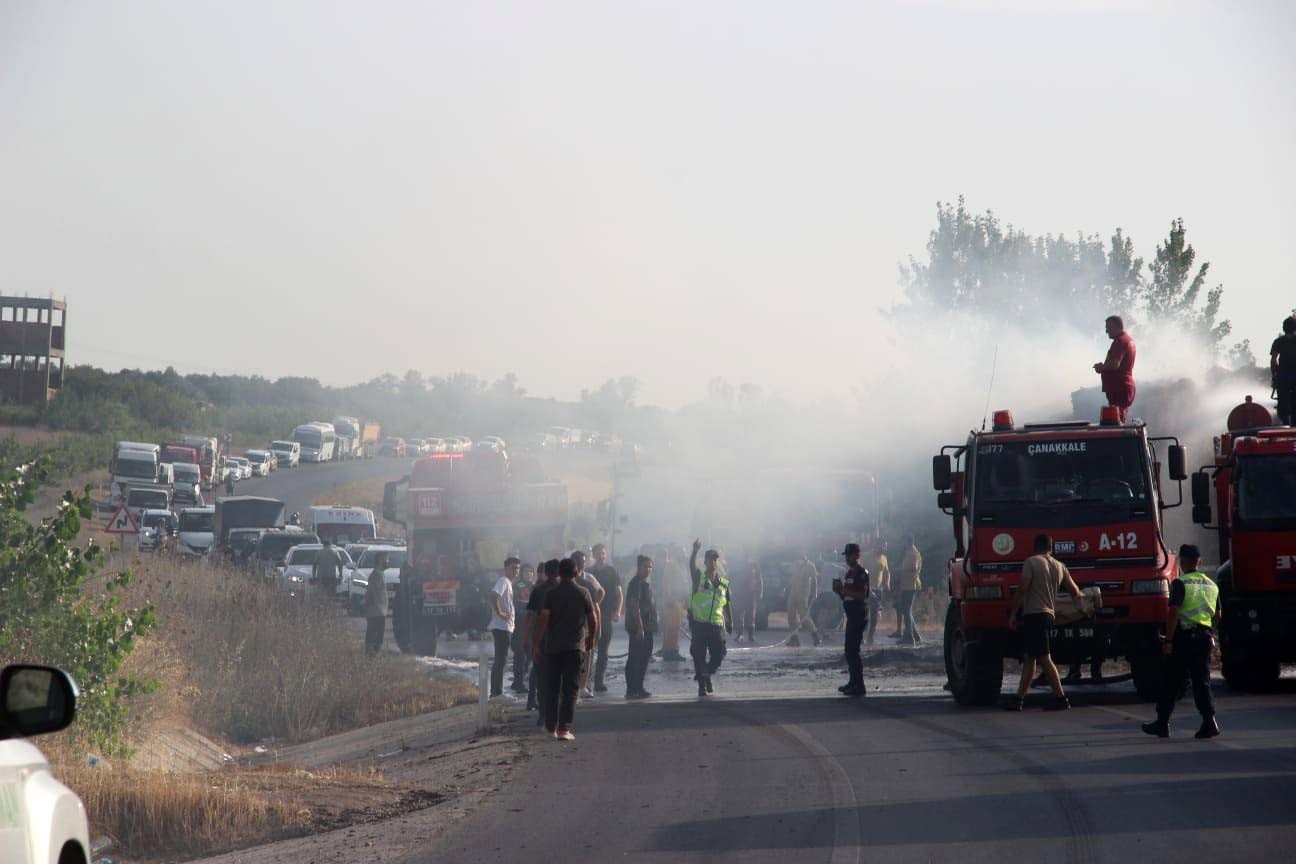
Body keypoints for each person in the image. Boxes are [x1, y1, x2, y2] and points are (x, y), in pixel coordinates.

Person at [1142, 545, 1222, 739]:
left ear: (1183, 561)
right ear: (1199, 561)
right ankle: (1209, 721)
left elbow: (1174, 613)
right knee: (1201, 681)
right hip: (1204, 638)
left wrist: (1168, 640)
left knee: (1170, 680)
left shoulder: (1180, 583)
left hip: (1184, 639)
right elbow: (1218, 614)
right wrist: (1209, 630)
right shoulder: (1211, 584)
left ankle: (1162, 723)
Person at [1005, 534, 1084, 711]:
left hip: (1034, 615)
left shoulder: (1031, 562)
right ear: (1051, 548)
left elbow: (1023, 589)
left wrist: (1013, 614)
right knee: (1031, 658)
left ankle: (1060, 698)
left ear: (1035, 547)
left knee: (1043, 658)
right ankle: (1019, 699)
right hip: (1049, 615)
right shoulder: (1059, 566)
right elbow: (1075, 591)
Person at [533, 557, 597, 741]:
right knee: (570, 689)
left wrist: (537, 643)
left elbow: (543, 620)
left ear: (559, 573)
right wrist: (591, 638)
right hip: (575, 648)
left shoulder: (551, 594)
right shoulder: (583, 593)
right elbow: (593, 619)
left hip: (553, 648)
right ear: (576, 573)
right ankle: (564, 729)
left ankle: (551, 728)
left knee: (552, 688)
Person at [688, 539, 732, 697]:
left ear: (717, 561)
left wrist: (729, 621)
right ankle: (702, 685)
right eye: (709, 559)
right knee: (698, 655)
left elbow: (727, 603)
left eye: (715, 559)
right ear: (705, 562)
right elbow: (691, 566)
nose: (712, 562)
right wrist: (694, 552)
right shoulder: (699, 577)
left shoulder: (723, 583)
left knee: (719, 655)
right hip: (699, 624)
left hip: (716, 625)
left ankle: (706, 674)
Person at [832, 543, 870, 696]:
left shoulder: (862, 573)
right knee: (849, 650)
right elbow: (845, 596)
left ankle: (859, 685)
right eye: (846, 556)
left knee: (853, 650)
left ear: (857, 555)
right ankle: (853, 682)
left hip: (859, 613)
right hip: (851, 614)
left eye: (849, 555)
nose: (847, 558)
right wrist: (839, 591)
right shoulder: (848, 574)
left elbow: (862, 595)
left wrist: (845, 590)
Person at [524, 559, 560, 721]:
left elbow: (530, 617)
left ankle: (543, 713)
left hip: (542, 639)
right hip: (563, 641)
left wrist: (526, 639)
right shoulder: (568, 590)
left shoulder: (538, 590)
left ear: (546, 572)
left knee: (541, 677)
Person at [588, 543, 623, 693]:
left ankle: (599, 681)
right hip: (591, 615)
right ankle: (586, 682)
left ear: (606, 554)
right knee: (589, 649)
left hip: (607, 614)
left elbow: (620, 593)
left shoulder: (612, 571)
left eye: (603, 553)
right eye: (598, 553)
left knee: (603, 650)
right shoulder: (588, 572)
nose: (601, 556)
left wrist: (618, 611)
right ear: (593, 555)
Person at [568, 550, 604, 698]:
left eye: (583, 561)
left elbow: (599, 596)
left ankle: (583, 684)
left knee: (588, 654)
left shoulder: (588, 580)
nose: (582, 564)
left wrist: (597, 625)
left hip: (585, 622)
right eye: (579, 561)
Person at [623, 554, 658, 699]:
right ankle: (632, 689)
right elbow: (634, 606)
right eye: (645, 566)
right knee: (636, 658)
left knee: (644, 658)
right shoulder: (636, 583)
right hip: (640, 628)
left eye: (650, 566)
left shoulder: (644, 584)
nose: (648, 569)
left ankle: (638, 687)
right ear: (639, 568)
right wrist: (640, 627)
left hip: (647, 627)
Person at [1093, 315, 1137, 423]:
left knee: (1117, 421)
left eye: (1108, 327)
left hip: (1120, 388)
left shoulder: (1120, 341)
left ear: (1116, 327)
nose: (1106, 331)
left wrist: (1101, 367)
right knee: (1118, 419)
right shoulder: (1126, 340)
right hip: (1120, 388)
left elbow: (1114, 365)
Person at [487, 557, 519, 698]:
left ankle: (496, 690)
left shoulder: (508, 583)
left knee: (501, 659)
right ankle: (496, 691)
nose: (516, 571)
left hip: (505, 626)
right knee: (501, 659)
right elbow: (493, 596)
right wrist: (499, 612)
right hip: (501, 626)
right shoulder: (503, 581)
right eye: (513, 568)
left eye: (517, 568)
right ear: (506, 568)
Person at [657, 547, 689, 662]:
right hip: (672, 601)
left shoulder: (681, 566)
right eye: (682, 553)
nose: (684, 555)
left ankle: (669, 650)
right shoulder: (671, 565)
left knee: (675, 628)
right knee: (672, 628)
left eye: (684, 553)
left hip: (679, 600)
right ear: (676, 553)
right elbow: (666, 583)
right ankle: (671, 651)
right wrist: (669, 598)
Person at [786, 554, 822, 647]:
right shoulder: (795, 565)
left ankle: (815, 635)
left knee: (804, 616)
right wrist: (785, 587)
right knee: (791, 616)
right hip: (793, 593)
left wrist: (815, 592)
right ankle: (794, 638)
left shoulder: (810, 566)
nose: (800, 559)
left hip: (803, 594)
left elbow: (814, 580)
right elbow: (792, 577)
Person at [510, 564, 536, 693]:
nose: (529, 574)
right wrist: (527, 614)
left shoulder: (535, 586)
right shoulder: (516, 586)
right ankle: (518, 682)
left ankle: (518, 680)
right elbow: (513, 605)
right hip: (520, 625)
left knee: (529, 654)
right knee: (520, 655)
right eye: (526, 572)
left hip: (532, 626)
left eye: (531, 572)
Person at [893, 538, 923, 645]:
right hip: (907, 585)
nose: (902, 544)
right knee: (907, 610)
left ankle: (909, 637)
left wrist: (900, 570)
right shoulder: (909, 552)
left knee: (906, 610)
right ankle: (915, 635)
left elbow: (914, 568)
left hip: (910, 585)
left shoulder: (912, 553)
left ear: (907, 542)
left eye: (903, 542)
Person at [1270, 316, 1296, 426]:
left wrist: (1274, 375)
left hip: (1283, 377)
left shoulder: (1278, 341)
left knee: (1282, 404)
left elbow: (1273, 360)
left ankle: (1284, 424)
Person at [865, 541, 891, 646]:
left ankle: (870, 637)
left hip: (878, 589)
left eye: (885, 546)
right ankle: (862, 636)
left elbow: (887, 572)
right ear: (876, 546)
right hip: (866, 588)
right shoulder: (867, 556)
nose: (883, 548)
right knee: (866, 613)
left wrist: (887, 582)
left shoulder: (884, 558)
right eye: (881, 546)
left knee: (874, 615)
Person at [364, 552, 390, 656]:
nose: (388, 562)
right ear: (380, 560)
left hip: (379, 610)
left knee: (377, 633)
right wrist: (371, 607)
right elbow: (371, 592)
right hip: (376, 610)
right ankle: (371, 655)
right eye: (387, 560)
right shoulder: (376, 575)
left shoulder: (380, 574)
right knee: (375, 634)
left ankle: (373, 655)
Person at [733, 560, 763, 643]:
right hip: (742, 595)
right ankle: (740, 635)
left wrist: (760, 593)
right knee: (740, 616)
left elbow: (760, 581)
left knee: (751, 617)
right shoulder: (741, 568)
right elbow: (736, 582)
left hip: (751, 595)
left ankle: (750, 635)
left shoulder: (756, 570)